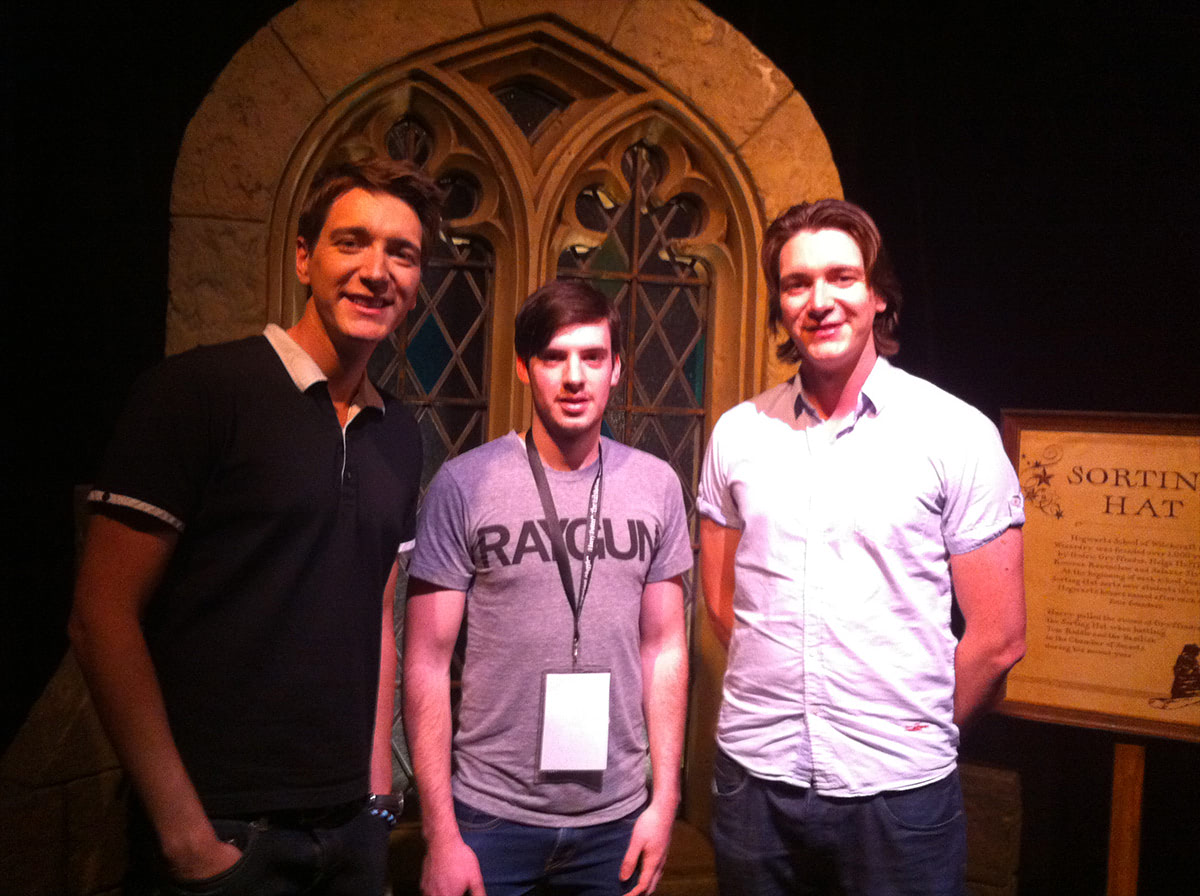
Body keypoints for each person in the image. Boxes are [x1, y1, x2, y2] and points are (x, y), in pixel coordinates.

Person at [69, 156, 442, 895]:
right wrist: (185, 836)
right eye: (352, 242)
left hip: (350, 831)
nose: (377, 271)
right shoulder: (197, 394)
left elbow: (377, 615)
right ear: (304, 257)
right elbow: (100, 615)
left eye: (401, 252)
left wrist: (375, 800)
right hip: (224, 832)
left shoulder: (400, 434)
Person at [697, 199, 1027, 896]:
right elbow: (724, 603)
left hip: (898, 800)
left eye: (842, 277)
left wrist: (915, 729)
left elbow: (998, 638)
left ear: (878, 296)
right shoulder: (738, 434)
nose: (820, 300)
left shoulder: (954, 434)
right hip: (756, 785)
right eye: (797, 283)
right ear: (780, 303)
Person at [403, 280, 693, 896]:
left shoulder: (657, 486)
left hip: (615, 819)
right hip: (490, 817)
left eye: (592, 357)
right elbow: (426, 661)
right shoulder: (464, 485)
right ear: (523, 367)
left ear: (617, 369)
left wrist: (664, 799)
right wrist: (441, 833)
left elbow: (666, 646)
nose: (574, 377)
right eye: (554, 357)